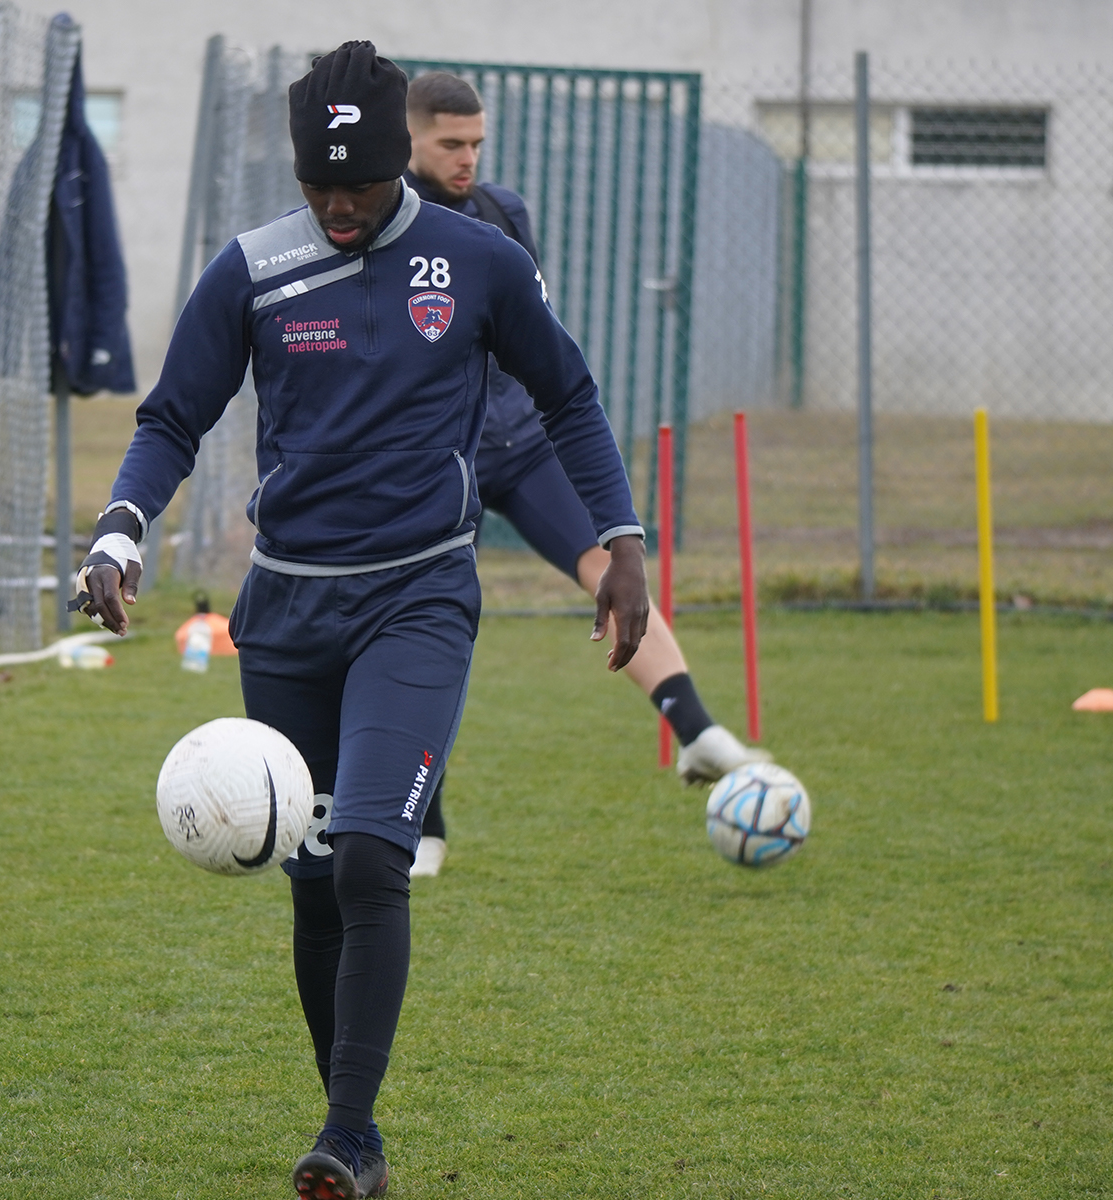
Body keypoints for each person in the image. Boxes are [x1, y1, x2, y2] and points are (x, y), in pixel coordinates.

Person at [71, 43, 649, 1200]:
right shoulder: (251, 270)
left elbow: (569, 395)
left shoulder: (478, 261)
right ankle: (358, 1138)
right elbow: (173, 415)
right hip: (284, 612)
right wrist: (120, 526)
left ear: (401, 167)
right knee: (312, 869)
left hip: (418, 597)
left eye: (363, 184)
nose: (340, 205)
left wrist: (620, 541)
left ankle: (346, 1134)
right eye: (319, 184)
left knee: (375, 854)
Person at [402, 72, 769, 879]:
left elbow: (527, 334)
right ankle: (424, 825)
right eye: (449, 144)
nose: (466, 159)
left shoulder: (505, 214)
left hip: (521, 442)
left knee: (612, 567)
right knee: (422, 623)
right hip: (435, 458)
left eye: (476, 144)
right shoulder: (385, 223)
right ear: (411, 141)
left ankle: (697, 729)